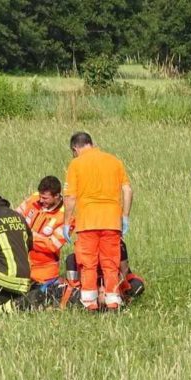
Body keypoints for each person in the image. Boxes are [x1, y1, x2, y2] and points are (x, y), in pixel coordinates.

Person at [63, 132, 132, 311]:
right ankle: (113, 302)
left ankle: (90, 304)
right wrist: (125, 215)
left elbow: (70, 197)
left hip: (87, 223)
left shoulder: (75, 164)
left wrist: (66, 222)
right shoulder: (114, 161)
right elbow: (127, 190)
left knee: (88, 265)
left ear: (75, 148)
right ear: (91, 144)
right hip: (111, 222)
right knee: (111, 264)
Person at [0, 195, 46, 312]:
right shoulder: (18, 216)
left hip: (3, 278)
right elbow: (29, 244)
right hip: (24, 280)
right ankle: (13, 304)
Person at [16, 176, 67, 287]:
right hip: (20, 265)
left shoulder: (66, 216)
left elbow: (52, 245)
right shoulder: (34, 198)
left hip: (44, 273)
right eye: (40, 196)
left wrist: (28, 234)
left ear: (57, 196)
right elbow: (15, 216)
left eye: (45, 198)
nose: (41, 200)